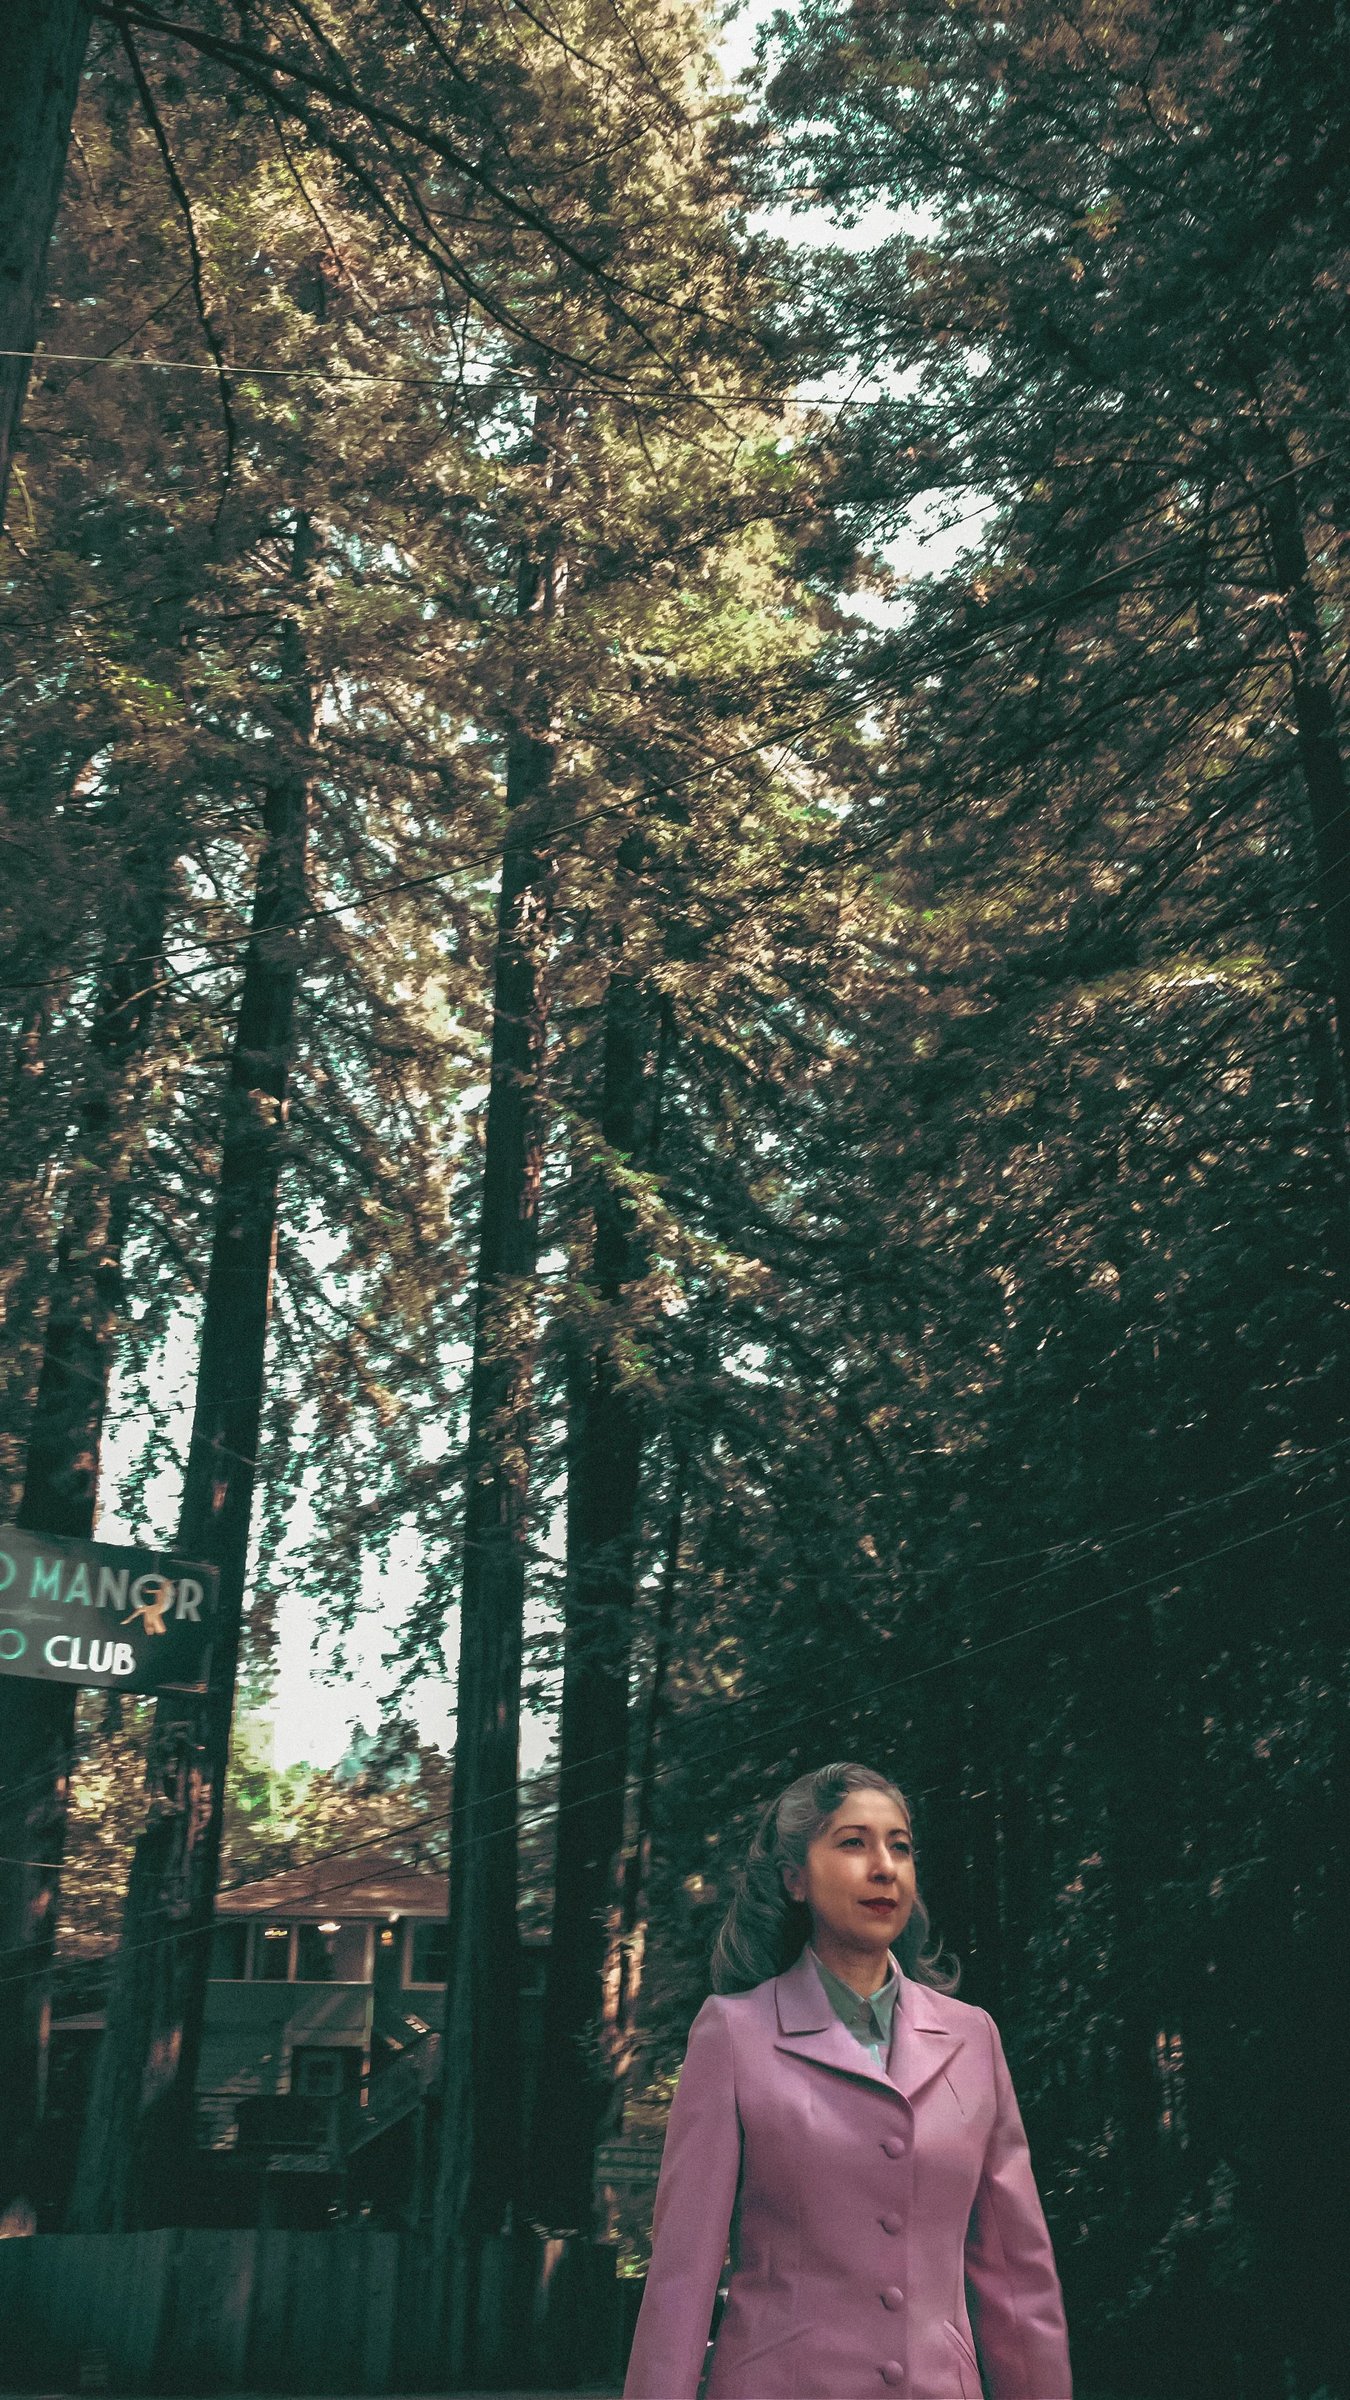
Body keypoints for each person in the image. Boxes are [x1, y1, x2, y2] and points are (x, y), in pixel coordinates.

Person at [624, 1761, 1072, 2400]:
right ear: (795, 1879)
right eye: (853, 1843)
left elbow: (1015, 2276)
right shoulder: (733, 2034)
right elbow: (682, 2274)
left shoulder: (973, 2039)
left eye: (900, 1847)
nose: (884, 1867)